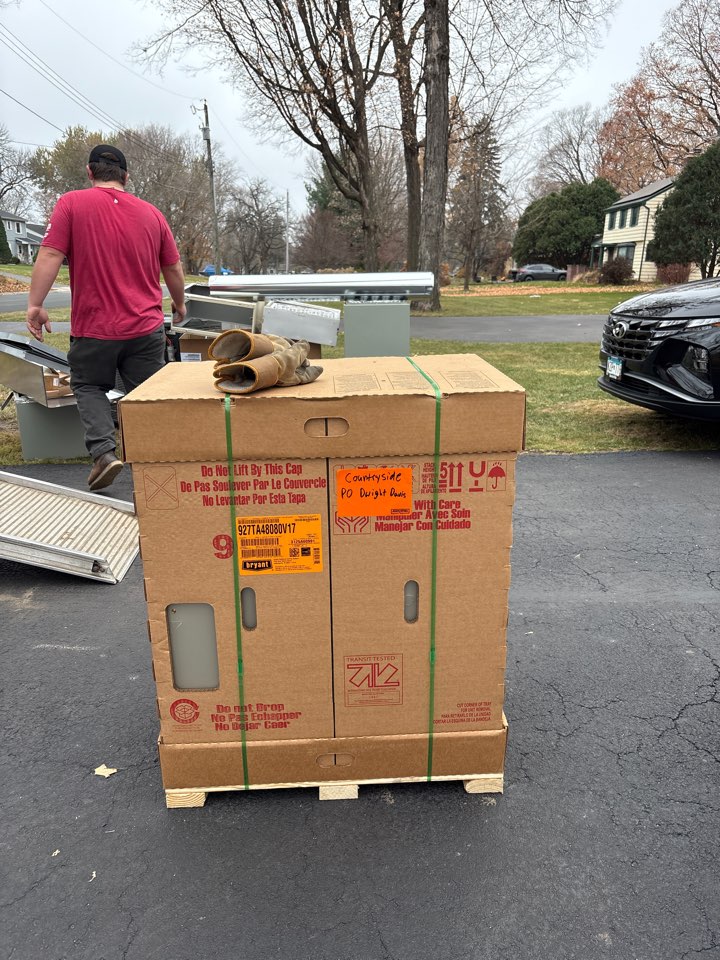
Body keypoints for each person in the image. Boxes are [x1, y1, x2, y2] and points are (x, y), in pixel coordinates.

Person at [26, 144, 187, 491]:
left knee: (89, 385)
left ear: (89, 172)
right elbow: (172, 265)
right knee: (146, 396)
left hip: (95, 329)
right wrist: (179, 304)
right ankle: (160, 466)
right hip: (145, 328)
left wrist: (35, 304)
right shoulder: (152, 213)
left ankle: (104, 453)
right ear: (126, 177)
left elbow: (51, 252)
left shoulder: (71, 204)